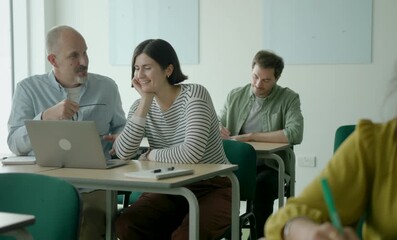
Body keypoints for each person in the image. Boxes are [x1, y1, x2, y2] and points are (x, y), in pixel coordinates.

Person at [264, 0, 397, 239]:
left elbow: (293, 132)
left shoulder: (288, 98)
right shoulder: (373, 144)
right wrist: (309, 231)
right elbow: (284, 219)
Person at [7, 25, 126, 240]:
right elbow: (15, 143)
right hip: (45, 185)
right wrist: (45, 117)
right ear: (53, 60)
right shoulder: (28, 89)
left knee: (89, 225)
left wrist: (122, 138)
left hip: (96, 186)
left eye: (85, 52)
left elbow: (121, 126)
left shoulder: (107, 87)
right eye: (74, 55)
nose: (84, 61)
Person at [114, 39, 232, 240]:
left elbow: (191, 153)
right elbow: (123, 152)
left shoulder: (194, 95)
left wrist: (150, 154)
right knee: (127, 224)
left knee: (187, 236)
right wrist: (145, 101)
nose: (139, 75)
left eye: (147, 68)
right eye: (136, 68)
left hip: (212, 186)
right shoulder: (139, 106)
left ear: (168, 70)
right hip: (169, 186)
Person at [219, 50, 304, 238]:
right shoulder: (235, 95)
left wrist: (251, 136)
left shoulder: (289, 98)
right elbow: (218, 121)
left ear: (277, 78)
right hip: (237, 165)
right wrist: (216, 126)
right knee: (210, 184)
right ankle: (227, 232)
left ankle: (259, 236)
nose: (258, 84)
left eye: (266, 80)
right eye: (255, 76)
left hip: (272, 167)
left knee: (262, 186)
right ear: (251, 70)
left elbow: (295, 133)